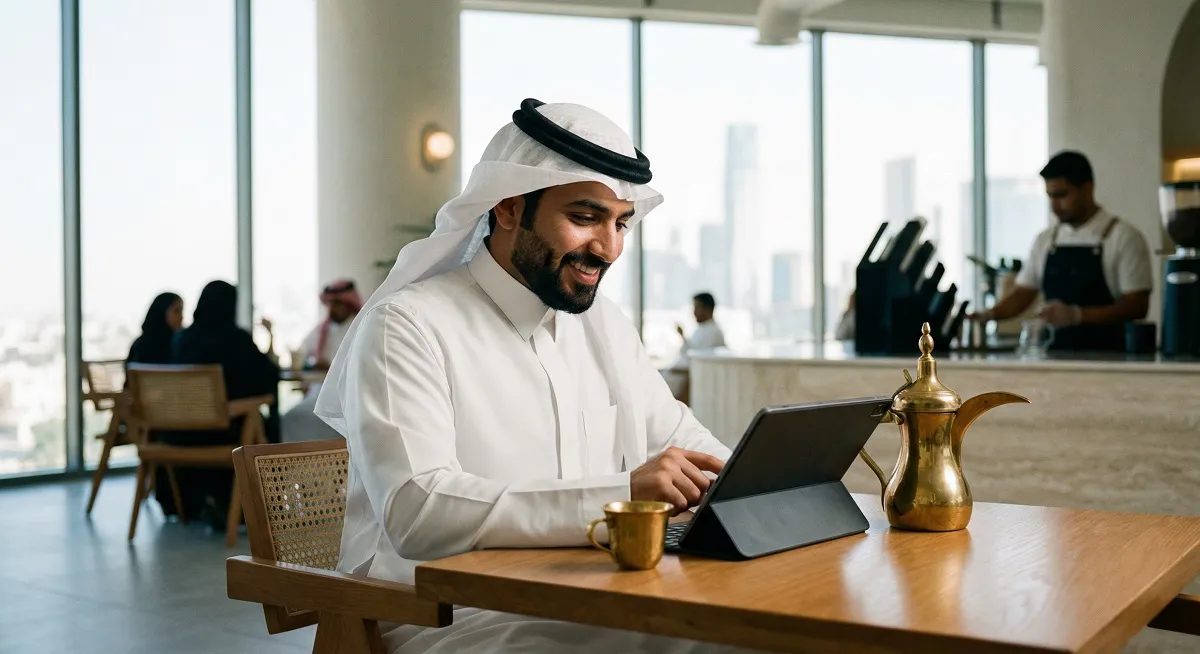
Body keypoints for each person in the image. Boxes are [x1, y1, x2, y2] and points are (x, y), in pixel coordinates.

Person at [313, 100, 752, 653]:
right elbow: (417, 511)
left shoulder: (604, 326)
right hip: (450, 614)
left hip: (595, 593)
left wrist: (760, 484)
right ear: (510, 208)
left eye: (620, 223)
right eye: (585, 218)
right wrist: (623, 494)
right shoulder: (407, 327)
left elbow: (682, 441)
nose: (609, 248)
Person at [971, 151, 1153, 351]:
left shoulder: (1123, 237)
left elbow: (1137, 306)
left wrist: (1077, 315)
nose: (1054, 206)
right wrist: (988, 315)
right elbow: (1023, 293)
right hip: (1054, 357)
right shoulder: (1046, 240)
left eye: (1061, 195)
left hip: (1109, 359)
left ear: (1087, 189)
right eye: (1050, 196)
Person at [166, 280, 281, 523]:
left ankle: (210, 502)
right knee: (264, 425)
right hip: (225, 432)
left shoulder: (181, 340)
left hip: (180, 434)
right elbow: (267, 375)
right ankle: (261, 509)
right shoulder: (235, 339)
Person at [280, 279, 363, 442]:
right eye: (330, 303)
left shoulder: (361, 325)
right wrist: (311, 364)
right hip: (318, 392)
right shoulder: (322, 329)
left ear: (349, 304)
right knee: (292, 417)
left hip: (347, 395)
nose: (332, 308)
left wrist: (331, 366)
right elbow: (302, 352)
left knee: (299, 417)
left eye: (337, 303)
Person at [126, 292, 184, 365]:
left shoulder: (181, 344)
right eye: (176, 311)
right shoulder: (142, 347)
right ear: (161, 312)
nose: (181, 317)